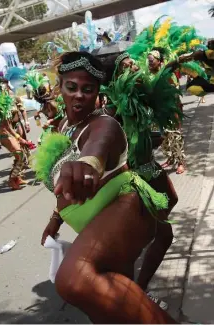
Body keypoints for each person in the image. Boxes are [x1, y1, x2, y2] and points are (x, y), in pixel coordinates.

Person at [34, 51, 176, 323]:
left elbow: (94, 152)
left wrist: (87, 167)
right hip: (96, 221)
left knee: (75, 279)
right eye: (71, 87)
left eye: (88, 89)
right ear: (59, 87)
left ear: (98, 91)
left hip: (124, 207)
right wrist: (55, 219)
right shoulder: (64, 126)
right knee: (109, 308)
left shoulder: (104, 123)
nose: (79, 95)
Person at [102, 51, 181, 308]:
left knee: (171, 202)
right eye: (127, 67)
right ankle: (135, 293)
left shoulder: (134, 98)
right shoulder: (112, 111)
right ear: (115, 79)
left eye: (133, 62)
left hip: (150, 168)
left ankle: (132, 286)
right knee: (162, 234)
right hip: (135, 178)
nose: (135, 66)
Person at [148, 48, 186, 174]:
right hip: (158, 112)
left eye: (152, 60)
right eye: (148, 60)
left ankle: (180, 162)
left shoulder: (168, 73)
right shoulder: (148, 75)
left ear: (159, 61)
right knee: (163, 137)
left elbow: (175, 92)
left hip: (171, 109)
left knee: (175, 135)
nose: (150, 62)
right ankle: (171, 158)